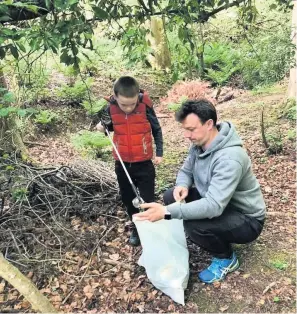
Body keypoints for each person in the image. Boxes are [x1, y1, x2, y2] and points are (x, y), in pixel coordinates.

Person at [134, 99, 266, 283]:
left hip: (246, 219)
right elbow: (186, 170)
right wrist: (182, 185)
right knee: (170, 195)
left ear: (209, 124)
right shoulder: (199, 144)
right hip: (219, 202)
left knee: (193, 224)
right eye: (184, 129)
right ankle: (209, 235)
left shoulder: (230, 158)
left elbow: (213, 206)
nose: (186, 135)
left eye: (191, 129)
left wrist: (165, 212)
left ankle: (226, 258)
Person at [96, 76, 163, 246]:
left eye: (132, 104)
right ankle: (136, 226)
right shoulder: (109, 109)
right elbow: (109, 128)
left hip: (144, 163)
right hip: (122, 163)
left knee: (147, 198)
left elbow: (156, 129)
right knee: (127, 197)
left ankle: (148, 226)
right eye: (124, 104)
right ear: (115, 96)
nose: (128, 108)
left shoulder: (145, 106)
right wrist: (102, 128)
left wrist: (159, 153)